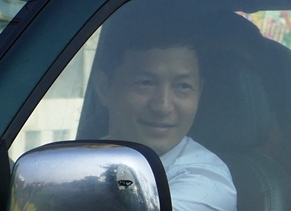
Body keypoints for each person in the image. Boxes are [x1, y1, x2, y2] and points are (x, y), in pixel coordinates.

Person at [93, 17, 236, 211]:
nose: (163, 106)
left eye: (183, 86)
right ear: (104, 88)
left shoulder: (207, 182)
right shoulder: (85, 159)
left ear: (199, 93)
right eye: (146, 83)